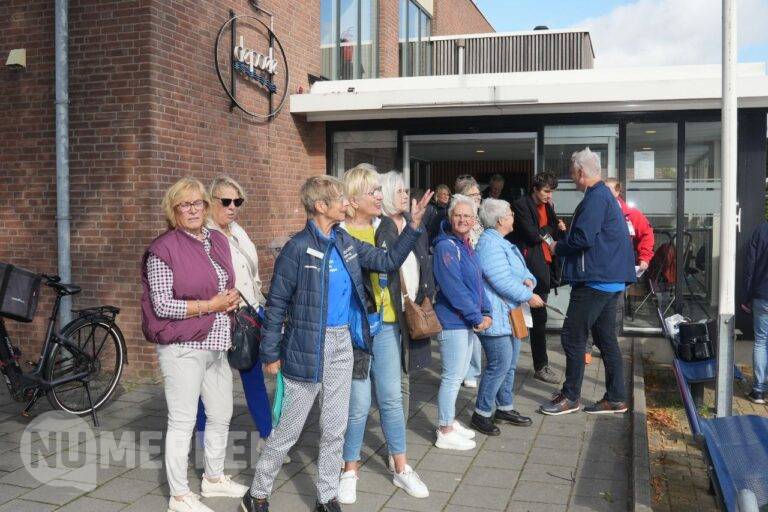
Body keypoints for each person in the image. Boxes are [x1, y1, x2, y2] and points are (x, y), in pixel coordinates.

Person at [242, 175, 432, 512]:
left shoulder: (344, 241)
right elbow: (277, 305)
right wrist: (270, 353)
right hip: (306, 346)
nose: (347, 204)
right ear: (320, 206)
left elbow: (386, 262)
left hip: (343, 343)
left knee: (334, 426)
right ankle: (257, 493)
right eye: (340, 199)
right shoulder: (297, 248)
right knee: (288, 429)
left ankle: (326, 496)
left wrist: (413, 228)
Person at [141, 177, 247, 512]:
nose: (193, 209)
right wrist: (210, 305)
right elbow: (162, 305)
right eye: (184, 204)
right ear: (173, 211)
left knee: (220, 413)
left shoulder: (216, 239)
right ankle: (180, 496)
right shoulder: (163, 248)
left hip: (216, 340)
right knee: (183, 420)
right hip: (182, 345)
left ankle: (213, 478)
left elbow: (222, 284)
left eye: (198, 203)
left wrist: (229, 300)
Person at [338, 167, 429, 504]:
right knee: (359, 404)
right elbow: (385, 263)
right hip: (356, 331)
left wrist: (414, 228)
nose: (380, 195)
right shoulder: (340, 235)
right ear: (352, 199)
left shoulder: (384, 228)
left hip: (388, 324)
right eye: (372, 191)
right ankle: (350, 469)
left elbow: (397, 263)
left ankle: (401, 467)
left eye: (380, 190)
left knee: (391, 398)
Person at [539, 148, 636, 417]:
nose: (571, 176)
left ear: (581, 172)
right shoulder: (605, 195)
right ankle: (616, 398)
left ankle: (571, 397)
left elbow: (583, 238)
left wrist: (559, 247)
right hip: (609, 279)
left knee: (573, 336)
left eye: (571, 171)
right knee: (606, 339)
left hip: (595, 280)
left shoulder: (595, 197)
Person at [194, 176, 280, 460]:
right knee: (208, 385)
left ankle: (268, 439)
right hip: (218, 318)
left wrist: (260, 306)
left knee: (254, 379)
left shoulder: (238, 232)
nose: (233, 207)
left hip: (249, 315)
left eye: (238, 201)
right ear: (211, 201)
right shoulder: (202, 236)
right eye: (226, 201)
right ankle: (204, 446)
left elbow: (251, 276)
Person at [470, 198, 543, 435]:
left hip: (510, 314)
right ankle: (481, 413)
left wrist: (529, 279)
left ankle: (504, 406)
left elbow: (522, 270)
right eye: (511, 213)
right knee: (499, 363)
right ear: (501, 220)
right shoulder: (490, 245)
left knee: (509, 364)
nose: (514, 216)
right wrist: (528, 295)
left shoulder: (501, 242)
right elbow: (500, 280)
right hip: (497, 314)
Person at [432, 194, 492, 450]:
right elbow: (453, 287)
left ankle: (450, 420)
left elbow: (477, 282)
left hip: (466, 321)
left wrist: (486, 310)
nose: (463, 219)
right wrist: (476, 316)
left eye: (468, 216)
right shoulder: (446, 246)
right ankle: (444, 429)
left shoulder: (465, 243)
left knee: (457, 376)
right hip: (453, 321)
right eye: (458, 215)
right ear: (450, 216)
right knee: (451, 376)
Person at [584, 178, 655, 364]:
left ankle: (609, 347)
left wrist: (644, 258)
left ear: (618, 192)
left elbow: (647, 234)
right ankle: (587, 346)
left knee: (615, 309)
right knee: (591, 308)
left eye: (608, 190)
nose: (604, 194)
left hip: (619, 271)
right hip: (597, 270)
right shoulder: (596, 210)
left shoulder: (630, 214)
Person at [508, 172, 566, 383]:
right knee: (521, 316)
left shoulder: (548, 205)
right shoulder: (522, 205)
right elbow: (533, 236)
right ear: (535, 188)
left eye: (551, 192)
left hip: (546, 265)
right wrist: (551, 227)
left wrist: (554, 229)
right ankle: (520, 364)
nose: (549, 196)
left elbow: (548, 234)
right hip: (528, 268)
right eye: (546, 191)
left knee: (539, 317)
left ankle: (540, 365)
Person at [454, 177, 484, 388]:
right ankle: (468, 371)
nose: (479, 198)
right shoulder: (458, 222)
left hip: (478, 277)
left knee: (475, 331)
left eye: (479, 194)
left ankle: (471, 369)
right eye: (474, 195)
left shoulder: (478, 219)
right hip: (466, 280)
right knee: (469, 328)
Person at [741, 221, 768, 404]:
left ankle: (758, 391)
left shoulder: (761, 229)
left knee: (761, 341)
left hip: (762, 295)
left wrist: (746, 296)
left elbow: (750, 265)